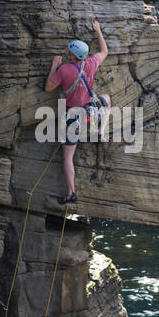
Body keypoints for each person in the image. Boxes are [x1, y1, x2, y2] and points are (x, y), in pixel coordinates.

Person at [44, 19, 111, 204]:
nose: (66, 51)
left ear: (71, 54)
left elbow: (49, 87)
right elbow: (105, 51)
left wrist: (54, 66)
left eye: (68, 49)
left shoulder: (64, 70)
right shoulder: (90, 64)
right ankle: (101, 131)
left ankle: (71, 192)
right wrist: (98, 30)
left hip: (72, 117)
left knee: (67, 157)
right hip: (90, 112)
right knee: (107, 99)